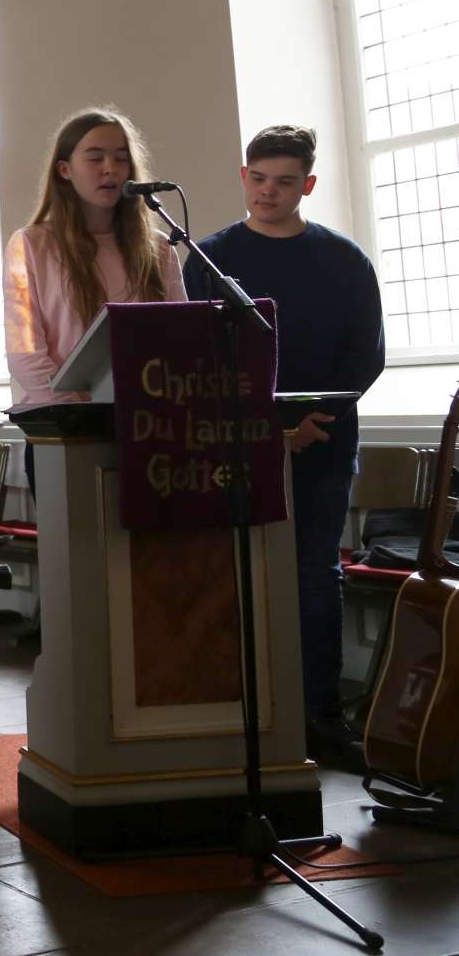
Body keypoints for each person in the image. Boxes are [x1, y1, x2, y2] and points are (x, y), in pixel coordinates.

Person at [184, 125, 384, 763]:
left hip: (324, 442)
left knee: (315, 573)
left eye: (285, 182)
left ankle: (320, 716)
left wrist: (311, 423)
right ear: (244, 177)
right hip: (237, 442)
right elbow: (198, 357)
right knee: (235, 570)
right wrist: (268, 429)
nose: (268, 192)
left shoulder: (344, 259)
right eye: (259, 179)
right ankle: (236, 711)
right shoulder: (210, 259)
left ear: (309, 185)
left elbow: (365, 354)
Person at [3, 107, 187, 495]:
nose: (110, 169)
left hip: (150, 430)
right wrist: (84, 410)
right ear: (65, 170)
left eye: (121, 158)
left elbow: (180, 338)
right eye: (96, 157)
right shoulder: (31, 245)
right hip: (65, 432)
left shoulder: (157, 248)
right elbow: (25, 353)